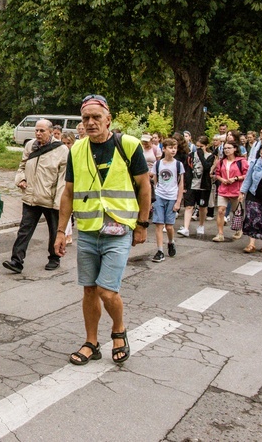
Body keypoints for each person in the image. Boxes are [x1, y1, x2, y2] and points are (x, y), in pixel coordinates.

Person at [54, 94, 150, 366]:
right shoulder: (76, 150)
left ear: (109, 119)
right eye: (86, 118)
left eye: (97, 117)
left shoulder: (129, 145)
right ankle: (91, 342)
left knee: (107, 291)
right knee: (89, 290)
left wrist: (142, 224)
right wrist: (61, 232)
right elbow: (68, 192)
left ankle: (119, 331)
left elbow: (144, 186)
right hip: (87, 230)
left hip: (119, 230)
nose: (91, 122)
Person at [3, 119, 68, 274]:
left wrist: (58, 202)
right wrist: (21, 179)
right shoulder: (30, 145)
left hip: (50, 199)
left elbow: (63, 178)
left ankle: (54, 258)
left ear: (51, 132)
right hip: (31, 197)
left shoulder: (62, 150)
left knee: (54, 230)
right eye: (36, 130)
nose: (38, 134)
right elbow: (22, 166)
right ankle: (16, 261)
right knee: (24, 229)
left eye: (42, 131)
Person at [151, 138, 184, 262]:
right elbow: (155, 180)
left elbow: (181, 184)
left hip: (172, 196)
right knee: (159, 224)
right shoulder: (158, 164)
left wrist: (178, 201)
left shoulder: (178, 164)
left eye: (175, 147)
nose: (173, 150)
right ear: (164, 149)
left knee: (169, 226)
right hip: (159, 196)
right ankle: (160, 251)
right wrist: (155, 194)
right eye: (170, 147)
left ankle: (171, 242)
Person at [178, 136, 215, 238]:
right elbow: (186, 170)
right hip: (192, 185)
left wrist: (201, 155)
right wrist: (185, 184)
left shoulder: (210, 156)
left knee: (202, 207)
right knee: (189, 206)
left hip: (203, 186)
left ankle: (201, 225)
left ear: (206, 146)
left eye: (201, 146)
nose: (199, 149)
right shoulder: (190, 156)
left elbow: (207, 167)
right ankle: (186, 227)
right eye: (197, 146)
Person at [212, 141, 247, 242]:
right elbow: (217, 173)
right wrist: (222, 179)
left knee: (236, 211)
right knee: (220, 210)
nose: (226, 150)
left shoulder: (241, 161)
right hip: (223, 189)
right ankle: (220, 233)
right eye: (225, 148)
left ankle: (239, 229)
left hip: (236, 190)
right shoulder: (222, 161)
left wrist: (236, 178)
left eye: (229, 148)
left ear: (235, 149)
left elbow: (247, 174)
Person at [239, 142, 262, 253]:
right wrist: (242, 192)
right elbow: (248, 179)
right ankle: (251, 244)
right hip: (254, 195)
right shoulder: (256, 163)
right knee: (252, 218)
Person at [60, 132, 77, 244]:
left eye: (68, 143)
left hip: (73, 184)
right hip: (62, 184)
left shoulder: (75, 153)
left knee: (69, 211)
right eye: (63, 143)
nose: (66, 146)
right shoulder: (60, 153)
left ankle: (68, 235)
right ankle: (66, 234)